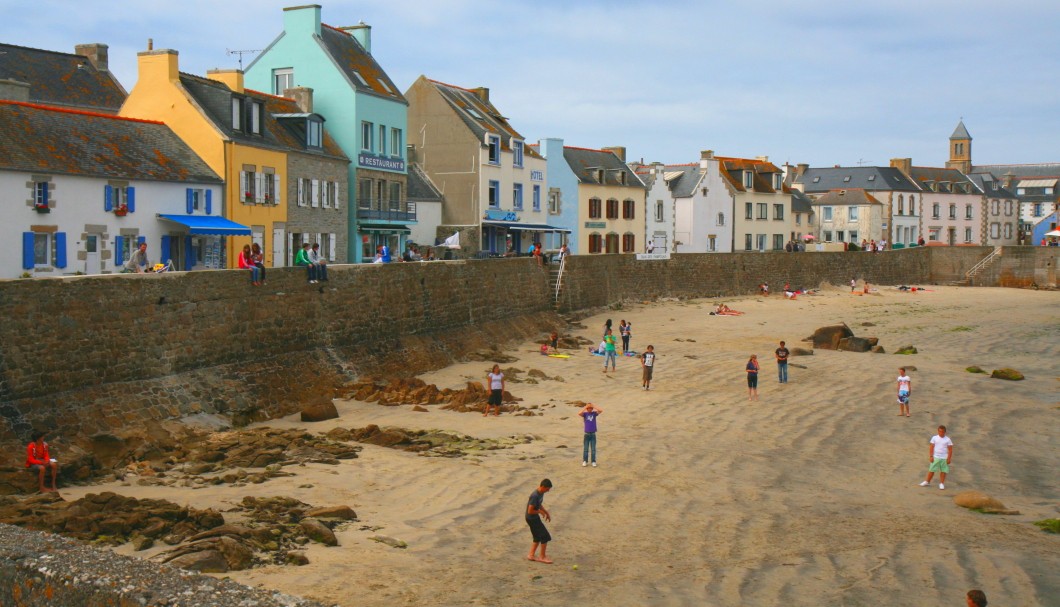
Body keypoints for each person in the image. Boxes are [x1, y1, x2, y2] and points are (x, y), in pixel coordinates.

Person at [526, 479, 553, 564]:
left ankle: (531, 555)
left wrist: (546, 512)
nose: (548, 491)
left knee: (537, 537)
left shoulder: (541, 493)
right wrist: (539, 512)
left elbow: (539, 504)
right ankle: (542, 557)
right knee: (545, 536)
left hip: (533, 517)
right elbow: (530, 511)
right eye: (547, 489)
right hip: (532, 518)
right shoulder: (535, 495)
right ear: (542, 487)